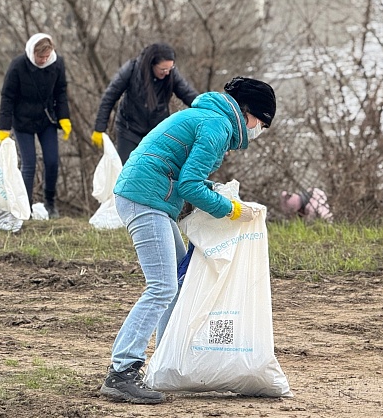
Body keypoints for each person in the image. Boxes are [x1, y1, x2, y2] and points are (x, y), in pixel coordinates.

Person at [99, 76, 276, 404]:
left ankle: (167, 360)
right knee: (162, 286)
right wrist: (230, 210)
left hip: (149, 196)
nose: (259, 131)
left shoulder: (210, 118)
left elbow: (185, 175)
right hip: (145, 198)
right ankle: (122, 371)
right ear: (249, 113)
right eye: (262, 124)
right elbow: (189, 186)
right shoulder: (218, 126)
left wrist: (217, 194)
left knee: (179, 282)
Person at [0, 33, 71, 218]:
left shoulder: (57, 64)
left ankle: (50, 202)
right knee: (29, 164)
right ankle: (26, 207)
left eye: (47, 56)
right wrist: (4, 127)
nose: (44, 60)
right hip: (23, 121)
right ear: (32, 53)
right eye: (40, 57)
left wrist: (64, 117)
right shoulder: (18, 66)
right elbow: (7, 97)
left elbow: (61, 92)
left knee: (52, 161)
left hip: (47, 120)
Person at [92, 43, 201, 163]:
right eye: (163, 69)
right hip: (129, 131)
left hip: (157, 131)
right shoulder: (132, 69)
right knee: (129, 169)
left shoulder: (171, 75)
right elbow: (109, 97)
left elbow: (188, 94)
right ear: (152, 65)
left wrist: (207, 109)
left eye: (170, 69)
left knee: (157, 169)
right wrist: (99, 128)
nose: (167, 73)